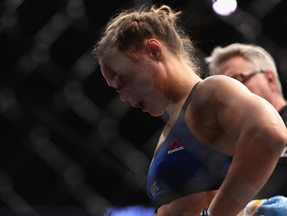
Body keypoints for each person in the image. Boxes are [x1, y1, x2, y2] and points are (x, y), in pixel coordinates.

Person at [92, 4, 287, 216]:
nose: (123, 95)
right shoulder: (168, 132)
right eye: (116, 89)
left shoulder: (210, 92)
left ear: (153, 51)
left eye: (124, 79)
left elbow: (270, 133)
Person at [206, 43, 287, 199]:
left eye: (238, 80)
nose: (233, 96)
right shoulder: (226, 156)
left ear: (269, 79)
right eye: (223, 92)